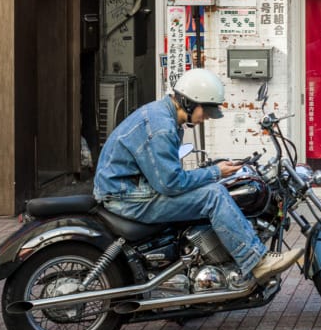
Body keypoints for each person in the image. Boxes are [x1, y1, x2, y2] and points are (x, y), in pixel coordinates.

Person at [93, 68, 303, 290]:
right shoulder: (161, 127)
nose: (205, 118)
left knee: (213, 187)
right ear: (189, 102)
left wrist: (211, 172)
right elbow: (170, 183)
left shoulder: (163, 117)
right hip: (128, 197)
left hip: (132, 189)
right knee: (214, 195)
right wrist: (215, 173)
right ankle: (257, 261)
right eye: (206, 111)